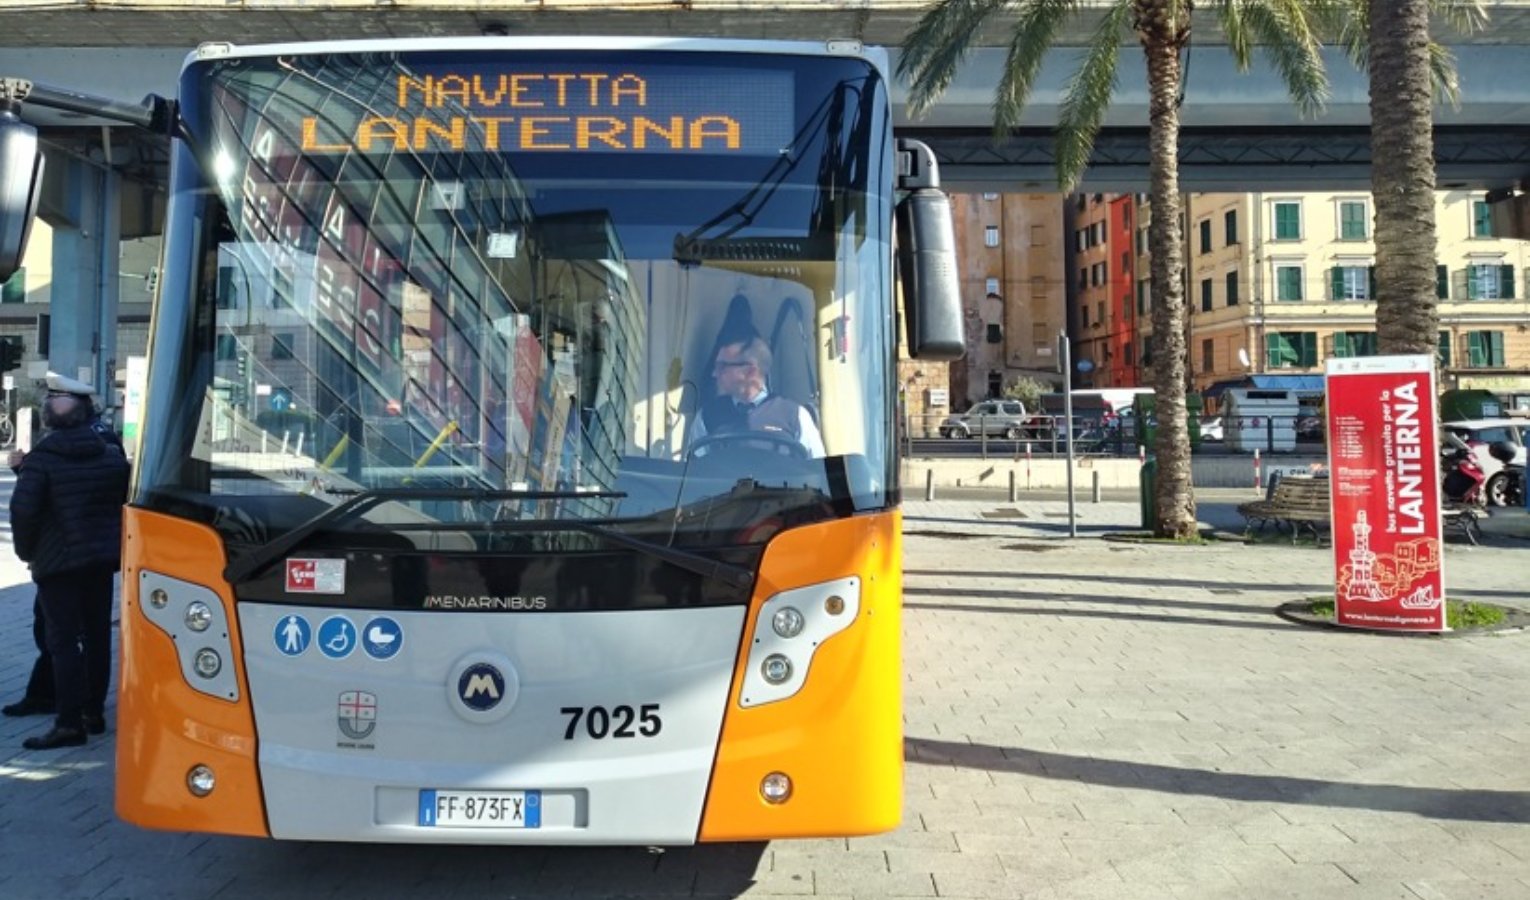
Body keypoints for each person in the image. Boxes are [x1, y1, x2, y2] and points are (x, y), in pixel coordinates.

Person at [9, 374, 131, 749]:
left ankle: (67, 722)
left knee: (61, 641)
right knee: (96, 636)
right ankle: (92, 713)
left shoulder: (42, 459)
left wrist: (29, 554)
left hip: (58, 563)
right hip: (98, 560)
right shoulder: (110, 454)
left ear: (48, 420)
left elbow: (24, 512)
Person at [694, 335, 825, 457]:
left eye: (722, 366)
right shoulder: (707, 415)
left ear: (750, 371)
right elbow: (695, 470)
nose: (714, 374)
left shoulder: (794, 415)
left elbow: (816, 468)